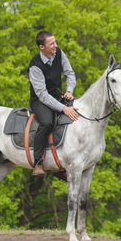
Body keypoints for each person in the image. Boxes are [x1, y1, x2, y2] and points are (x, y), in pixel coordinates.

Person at [28, 30, 80, 176]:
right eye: (51, 44)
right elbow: (42, 95)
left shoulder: (59, 53)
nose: (55, 46)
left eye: (55, 42)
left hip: (58, 97)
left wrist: (69, 91)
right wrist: (64, 108)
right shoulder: (35, 66)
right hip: (39, 101)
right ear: (41, 48)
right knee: (47, 122)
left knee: (74, 119)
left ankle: (61, 164)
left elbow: (70, 73)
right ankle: (37, 163)